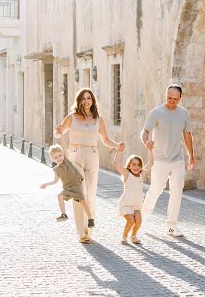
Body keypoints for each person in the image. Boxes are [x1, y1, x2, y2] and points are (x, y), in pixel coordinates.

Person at [54, 87, 124, 243]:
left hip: (92, 155)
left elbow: (105, 140)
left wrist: (117, 146)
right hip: (75, 155)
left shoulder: (98, 119)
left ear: (93, 101)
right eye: (84, 98)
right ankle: (81, 233)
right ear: (79, 101)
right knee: (80, 192)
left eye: (89, 98)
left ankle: (88, 229)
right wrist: (57, 131)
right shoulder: (72, 117)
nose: (86, 101)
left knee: (90, 193)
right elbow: (59, 133)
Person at [141, 85, 195, 237]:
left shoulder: (184, 114)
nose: (171, 101)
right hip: (160, 159)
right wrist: (146, 141)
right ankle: (141, 221)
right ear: (166, 96)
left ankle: (171, 226)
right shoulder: (156, 112)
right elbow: (145, 131)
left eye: (175, 99)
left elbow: (187, 135)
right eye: (169, 98)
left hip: (177, 159)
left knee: (177, 192)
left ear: (180, 99)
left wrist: (191, 155)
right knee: (155, 191)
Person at [40, 144, 95, 226]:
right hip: (67, 189)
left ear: (63, 154)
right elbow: (55, 181)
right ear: (52, 159)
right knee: (59, 196)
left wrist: (61, 135)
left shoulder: (67, 161)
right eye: (56, 157)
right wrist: (46, 184)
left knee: (83, 202)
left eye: (60, 155)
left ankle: (90, 218)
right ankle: (64, 214)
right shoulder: (56, 169)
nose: (59, 158)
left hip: (76, 187)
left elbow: (65, 148)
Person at [113, 145, 154, 244]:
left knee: (139, 221)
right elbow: (116, 163)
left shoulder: (141, 175)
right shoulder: (127, 174)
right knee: (131, 221)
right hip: (126, 204)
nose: (136, 167)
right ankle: (124, 236)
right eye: (134, 164)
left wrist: (150, 149)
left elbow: (151, 163)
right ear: (129, 165)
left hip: (137, 205)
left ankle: (133, 236)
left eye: (138, 165)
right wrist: (119, 151)